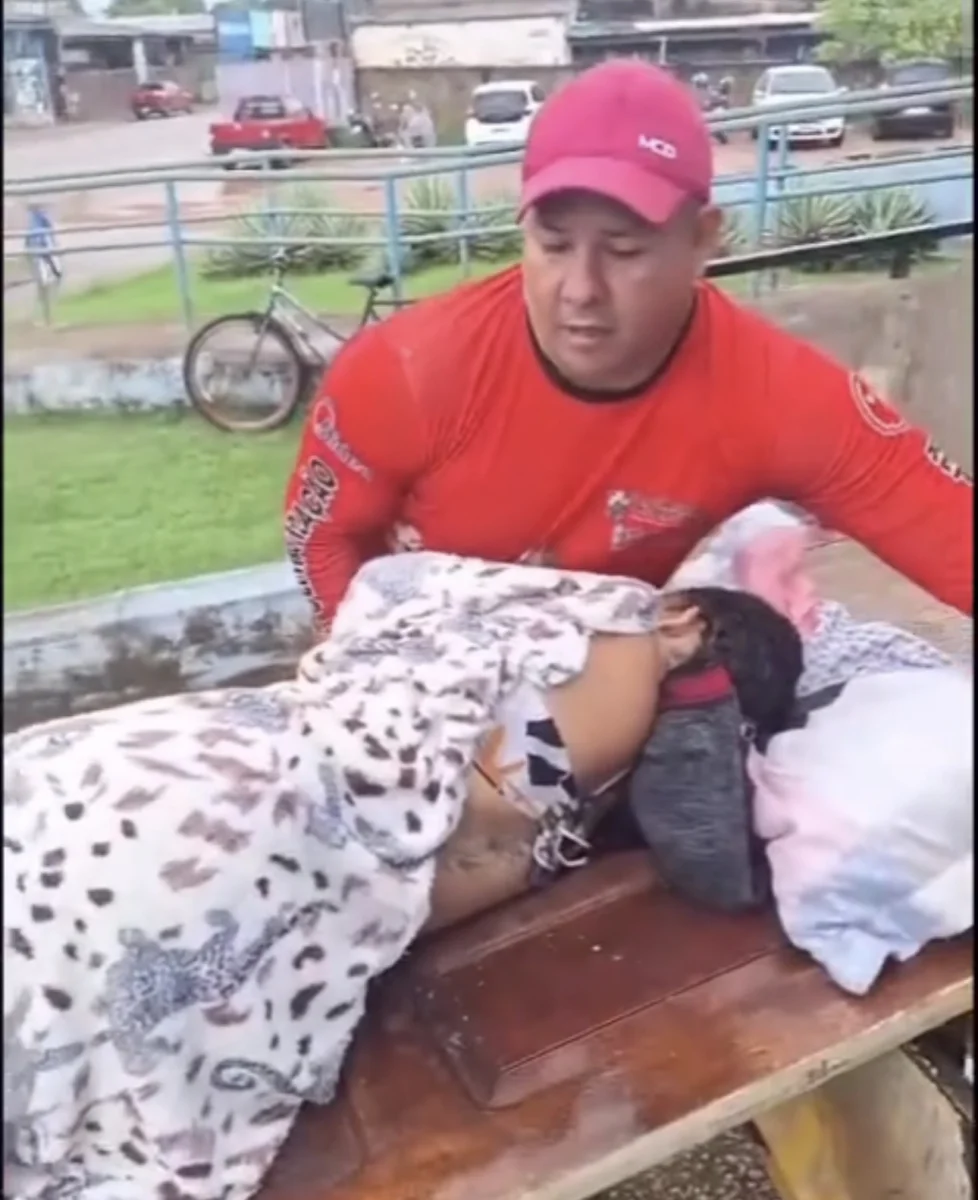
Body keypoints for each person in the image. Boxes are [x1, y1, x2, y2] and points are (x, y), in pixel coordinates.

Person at [3, 552, 801, 1200]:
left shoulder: (510, 602)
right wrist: (561, 841)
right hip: (235, 831)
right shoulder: (630, 651)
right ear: (686, 621)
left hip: (149, 757)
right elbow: (489, 813)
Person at [284, 59, 973, 632]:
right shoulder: (407, 370)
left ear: (702, 241)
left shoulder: (773, 392)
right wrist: (367, 675)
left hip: (616, 679)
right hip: (428, 672)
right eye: (554, 245)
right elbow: (320, 534)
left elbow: (950, 533)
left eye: (624, 250)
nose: (580, 289)